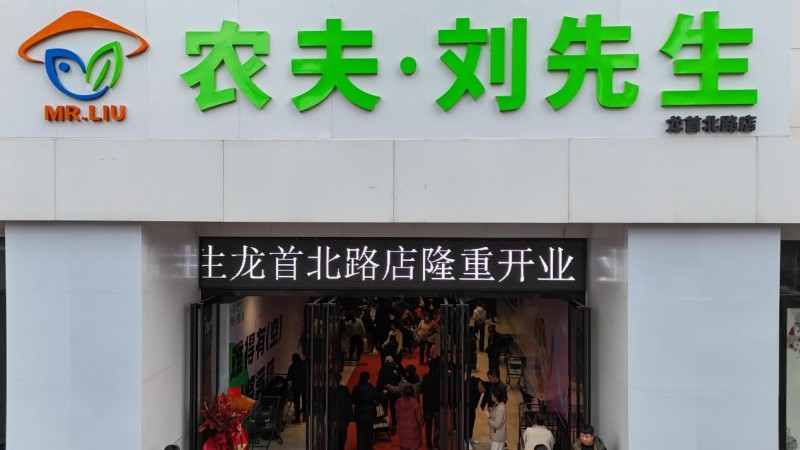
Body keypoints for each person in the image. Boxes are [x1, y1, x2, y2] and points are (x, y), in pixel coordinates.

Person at [352, 372, 380, 450]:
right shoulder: (371, 389)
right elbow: (378, 397)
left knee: (360, 433)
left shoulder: (356, 388)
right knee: (369, 434)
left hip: (359, 414)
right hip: (369, 414)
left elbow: (352, 400)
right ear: (368, 379)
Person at [377, 356, 403, 434]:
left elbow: (380, 382)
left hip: (385, 392)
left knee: (384, 409)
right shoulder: (396, 369)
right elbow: (400, 380)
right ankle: (394, 425)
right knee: (393, 409)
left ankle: (385, 425)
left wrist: (378, 392)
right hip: (394, 392)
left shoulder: (382, 370)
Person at [396, 385, 424, 450]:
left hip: (403, 434)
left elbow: (397, 417)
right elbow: (420, 421)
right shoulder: (416, 405)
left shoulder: (398, 403)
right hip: (414, 436)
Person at [421, 357, 441, 449]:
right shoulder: (440, 378)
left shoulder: (425, 377)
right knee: (438, 426)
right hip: (437, 406)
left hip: (427, 406)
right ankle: (436, 445)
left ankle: (428, 444)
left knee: (428, 426)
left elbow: (421, 390)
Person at [485, 385, 508, 450]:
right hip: (497, 435)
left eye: (492, 395)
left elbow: (497, 424)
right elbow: (496, 415)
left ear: (495, 397)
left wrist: (489, 418)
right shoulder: (497, 404)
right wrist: (490, 412)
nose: (491, 396)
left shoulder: (501, 408)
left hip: (498, 436)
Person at [335, 375, 354, 450]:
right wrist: (351, 418)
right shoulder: (345, 390)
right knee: (341, 437)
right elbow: (348, 404)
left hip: (338, 418)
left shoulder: (344, 390)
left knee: (340, 438)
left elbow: (348, 404)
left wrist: (351, 418)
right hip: (341, 418)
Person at [287, 353, 306, 423]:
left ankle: (297, 419)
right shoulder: (304, 365)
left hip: (296, 386)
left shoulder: (292, 366)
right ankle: (305, 417)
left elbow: (289, 377)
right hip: (305, 386)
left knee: (297, 403)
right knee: (305, 402)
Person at [468, 376, 486, 448]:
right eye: (482, 391)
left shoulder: (480, 388)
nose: (482, 392)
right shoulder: (471, 385)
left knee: (472, 421)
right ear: (480, 385)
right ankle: (465, 441)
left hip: (472, 408)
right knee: (466, 423)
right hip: (466, 407)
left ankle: (470, 437)